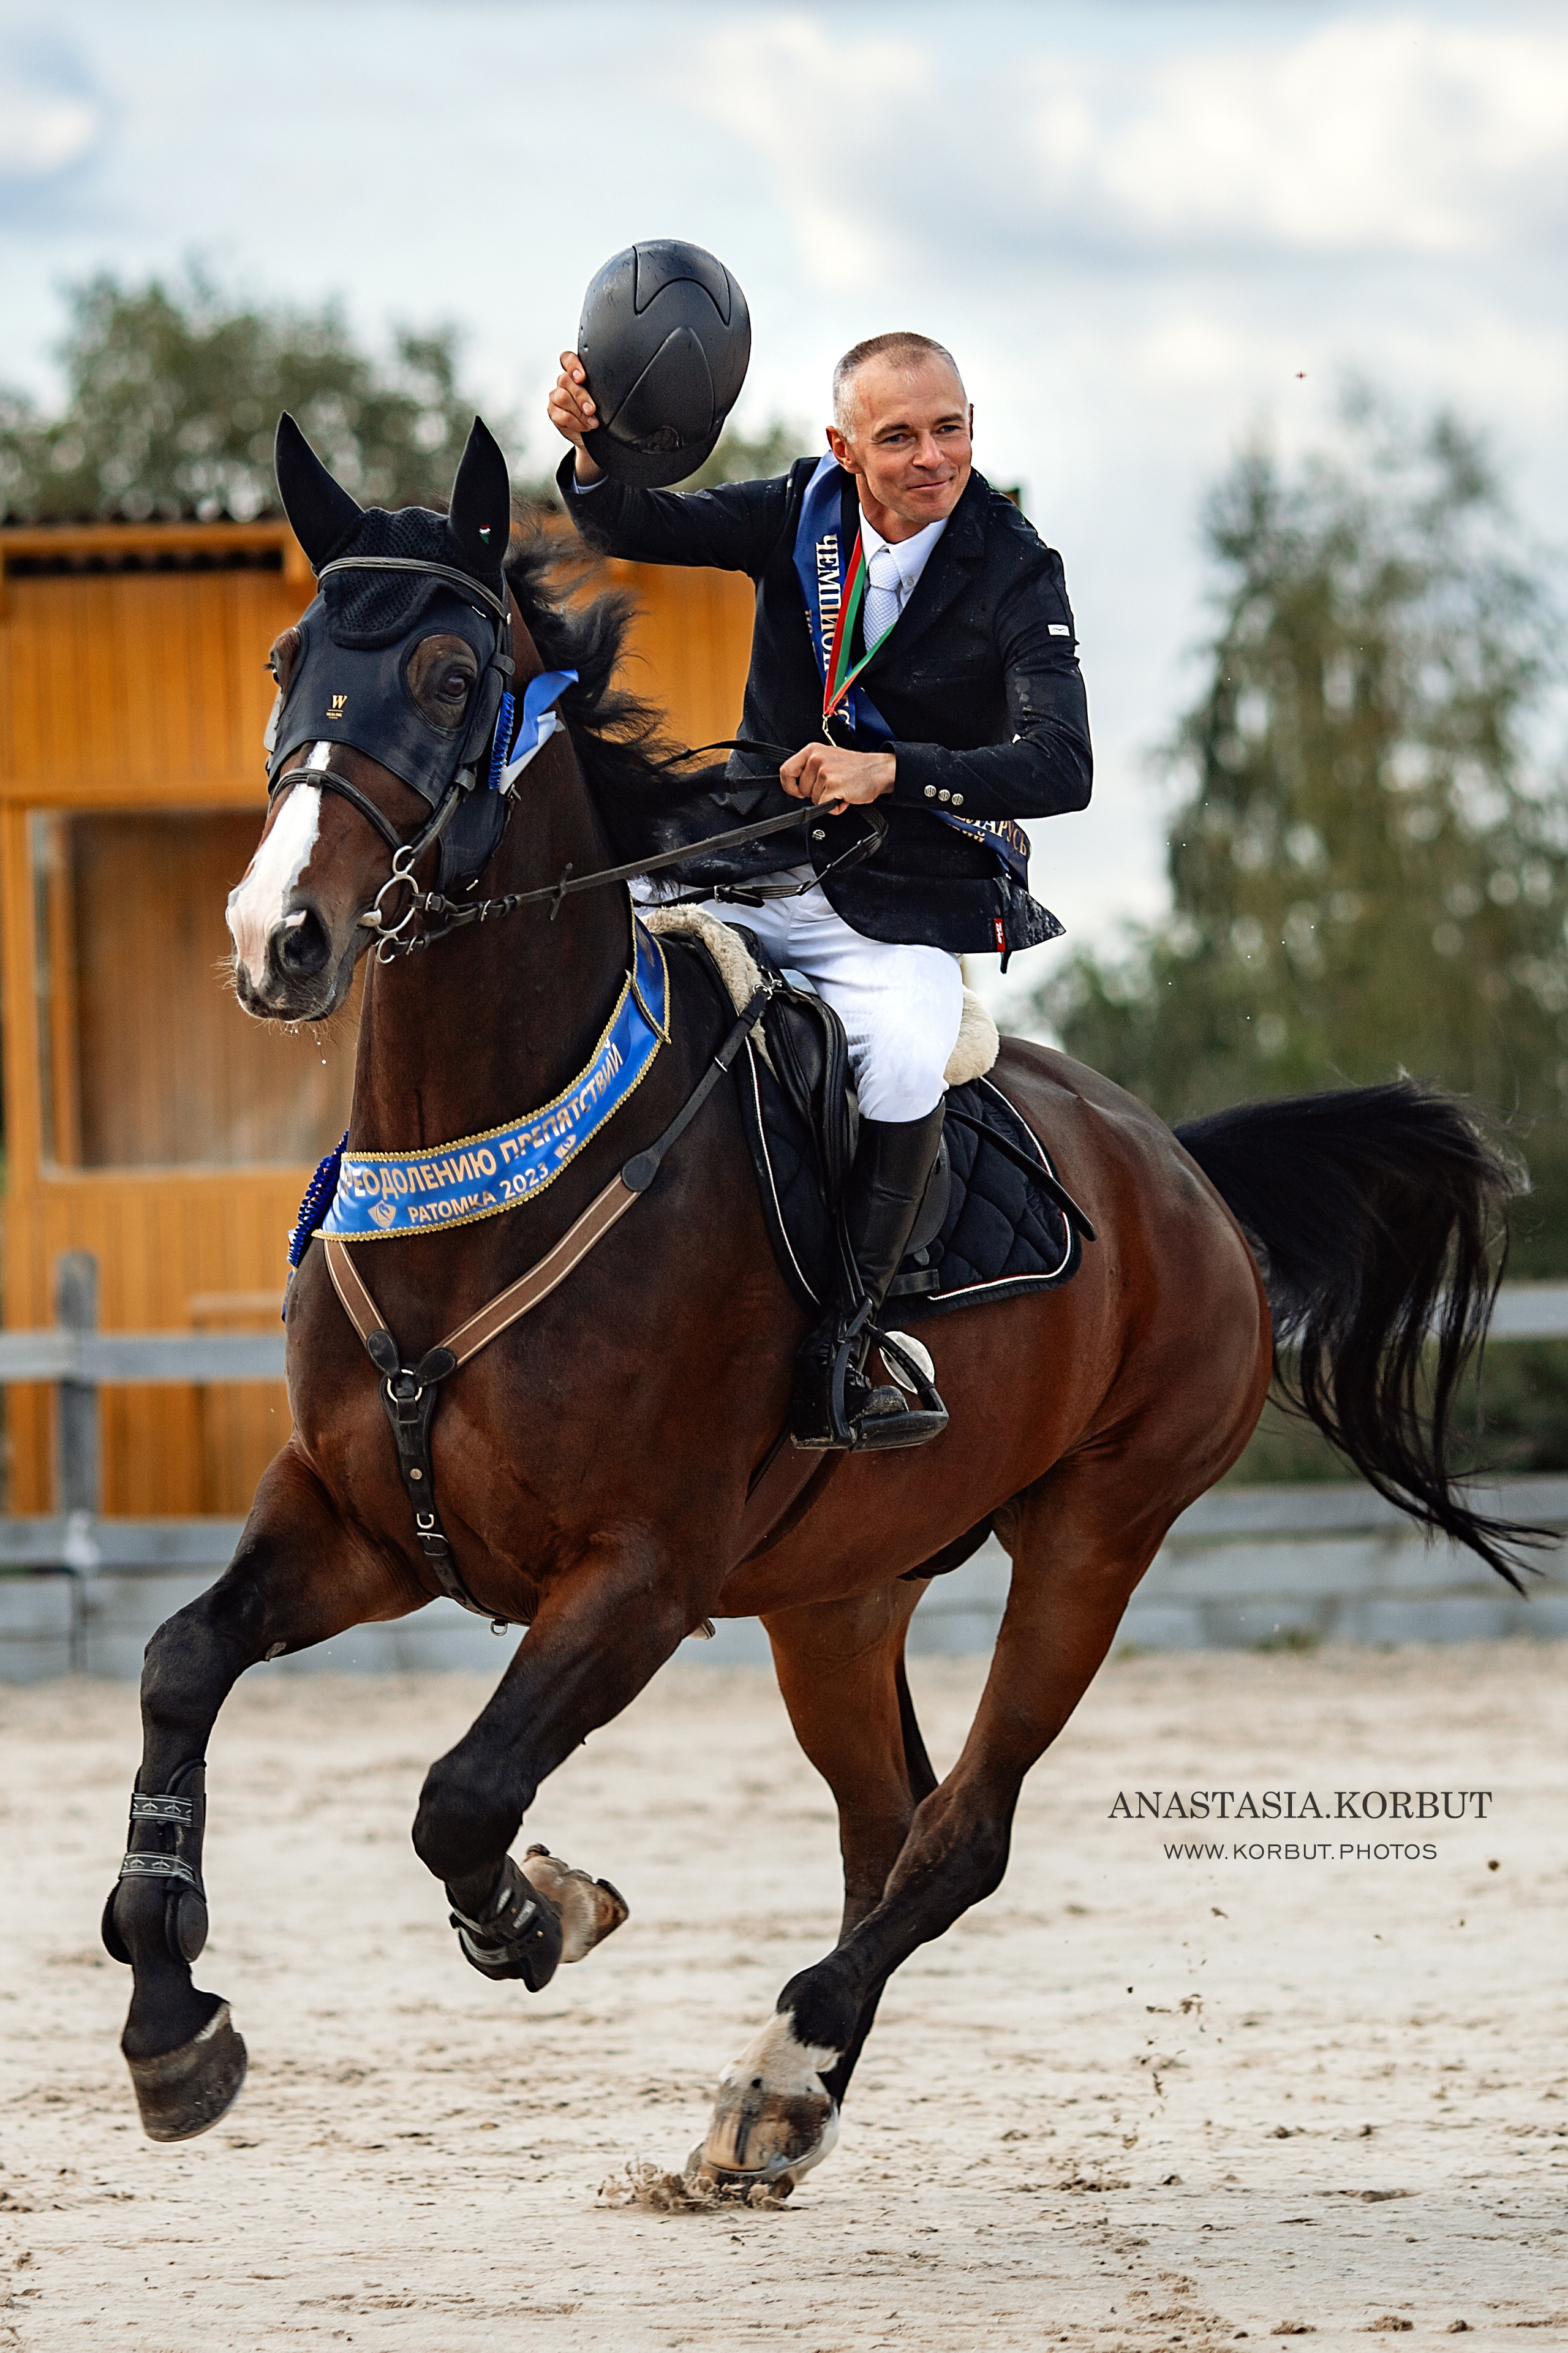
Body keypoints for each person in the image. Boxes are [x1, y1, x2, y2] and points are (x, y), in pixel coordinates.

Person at [548, 330, 1091, 1450]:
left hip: (896, 899)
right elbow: (633, 522)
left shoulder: (1016, 566)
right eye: (899, 436)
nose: (933, 457)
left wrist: (890, 771)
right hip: (741, 862)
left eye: (951, 428)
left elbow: (1063, 766)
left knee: (899, 1056)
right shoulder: (799, 508)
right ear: (846, 447)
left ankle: (851, 1342)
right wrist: (595, 454)